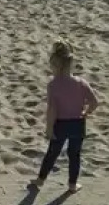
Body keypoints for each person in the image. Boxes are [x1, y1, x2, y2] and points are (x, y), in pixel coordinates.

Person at [29, 40, 99, 194]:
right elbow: (94, 102)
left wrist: (49, 128)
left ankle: (40, 179)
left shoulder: (53, 85)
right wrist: (86, 112)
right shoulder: (81, 83)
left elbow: (52, 110)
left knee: (52, 153)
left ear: (55, 65)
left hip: (60, 124)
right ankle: (72, 184)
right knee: (74, 155)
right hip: (78, 123)